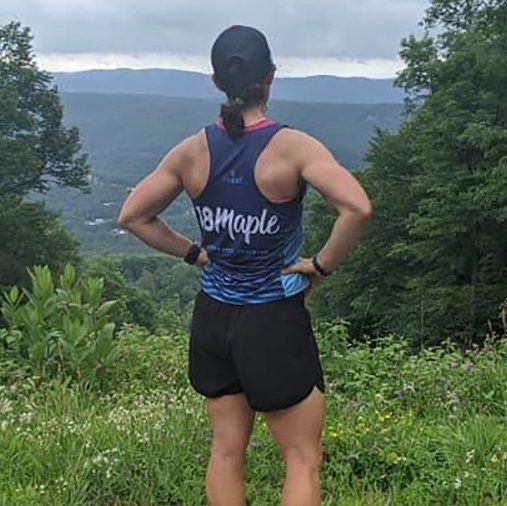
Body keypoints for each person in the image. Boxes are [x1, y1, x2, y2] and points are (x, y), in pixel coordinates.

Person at [118, 25, 372, 506]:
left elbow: (132, 216)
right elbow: (357, 208)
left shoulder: (192, 150)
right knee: (300, 459)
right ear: (270, 77)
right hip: (273, 321)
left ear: (216, 82)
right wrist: (320, 265)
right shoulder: (292, 148)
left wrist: (193, 253)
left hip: (213, 318)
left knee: (227, 452)